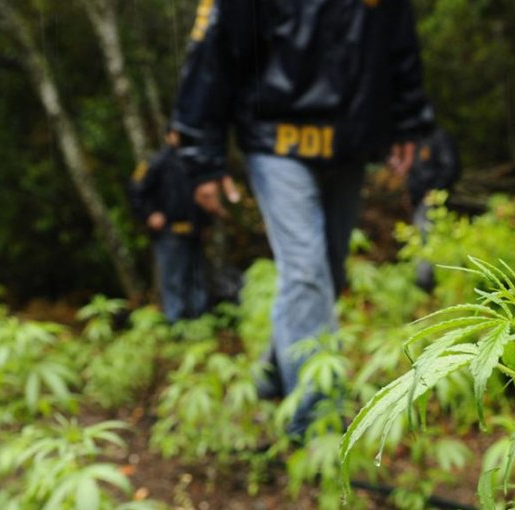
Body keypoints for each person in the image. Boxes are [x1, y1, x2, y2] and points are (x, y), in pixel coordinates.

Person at [170, 0, 435, 439]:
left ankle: (274, 379)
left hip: (347, 142)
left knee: (326, 272)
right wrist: (202, 157)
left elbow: (398, 42)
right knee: (306, 272)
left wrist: (408, 121)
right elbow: (212, 55)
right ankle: (317, 422)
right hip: (275, 139)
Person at [128, 132, 209, 322]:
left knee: (196, 277)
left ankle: (199, 321)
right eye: (176, 134)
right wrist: (149, 214)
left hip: (193, 229)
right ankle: (176, 322)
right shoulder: (157, 161)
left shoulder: (196, 160)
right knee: (173, 278)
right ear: (168, 136)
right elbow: (135, 188)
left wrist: (206, 224)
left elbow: (205, 196)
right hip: (168, 232)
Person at [405, 126, 462, 292]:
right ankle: (427, 287)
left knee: (427, 240)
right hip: (419, 200)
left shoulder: (437, 137)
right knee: (421, 239)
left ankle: (428, 286)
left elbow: (451, 167)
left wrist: (435, 190)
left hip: (433, 200)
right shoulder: (415, 139)